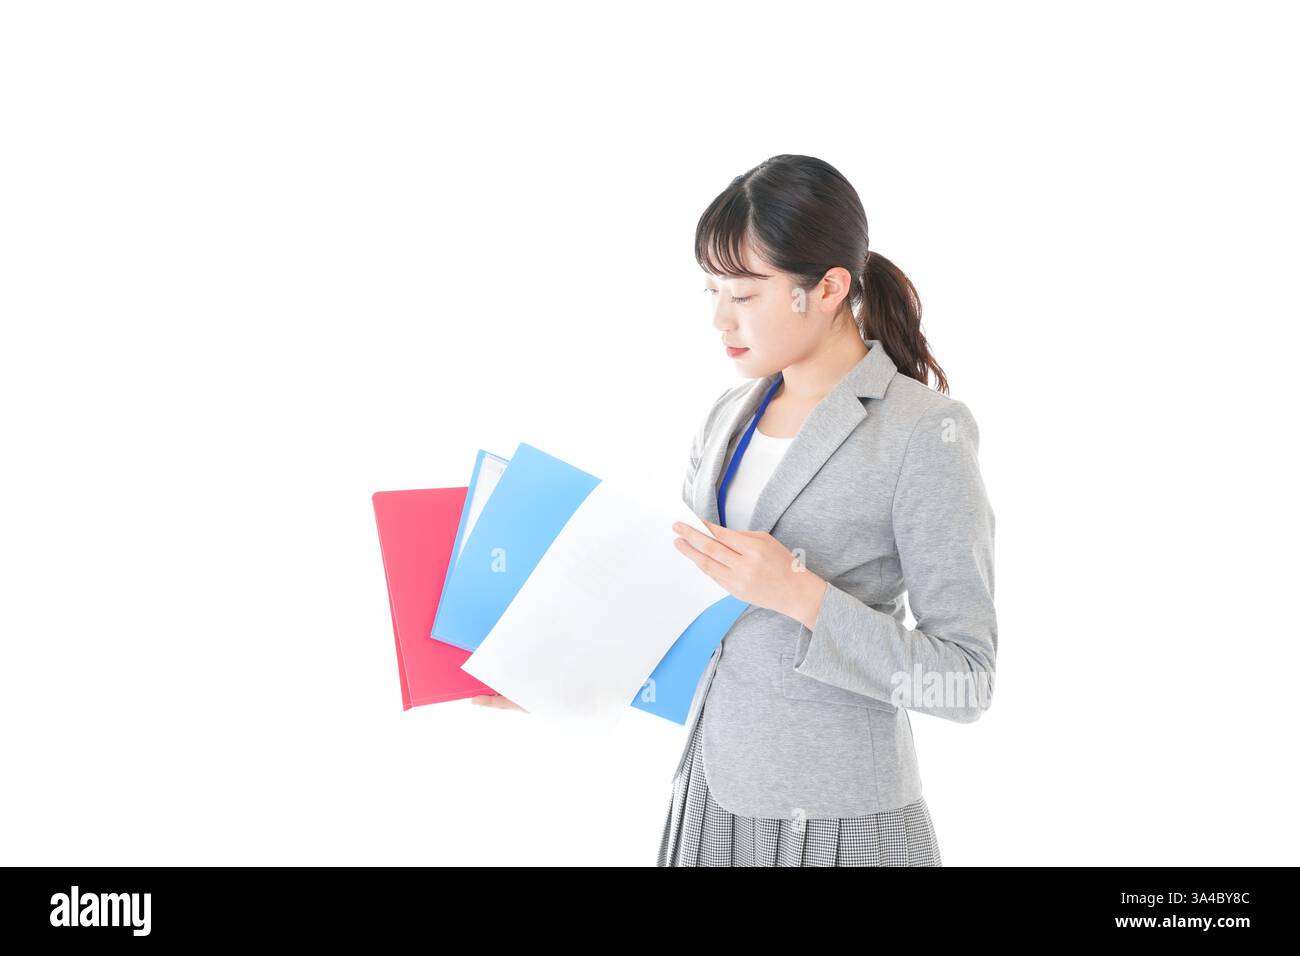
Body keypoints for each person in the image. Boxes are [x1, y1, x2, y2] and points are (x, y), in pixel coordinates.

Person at [479, 154, 997, 868]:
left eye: (746, 294)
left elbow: (966, 679)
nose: (720, 317)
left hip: (843, 821)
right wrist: (556, 676)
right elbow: (691, 619)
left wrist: (803, 596)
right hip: (710, 804)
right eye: (712, 289)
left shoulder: (922, 432)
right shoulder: (727, 417)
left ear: (827, 288)